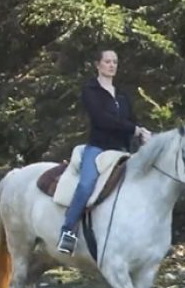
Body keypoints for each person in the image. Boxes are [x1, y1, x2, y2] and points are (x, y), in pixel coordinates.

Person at [57, 48, 151, 255]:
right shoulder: (90, 91)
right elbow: (102, 120)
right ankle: (68, 232)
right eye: (107, 61)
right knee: (85, 184)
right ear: (98, 65)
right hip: (98, 149)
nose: (112, 65)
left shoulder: (122, 95)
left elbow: (131, 120)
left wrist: (141, 132)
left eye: (115, 62)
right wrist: (132, 129)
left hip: (122, 151)